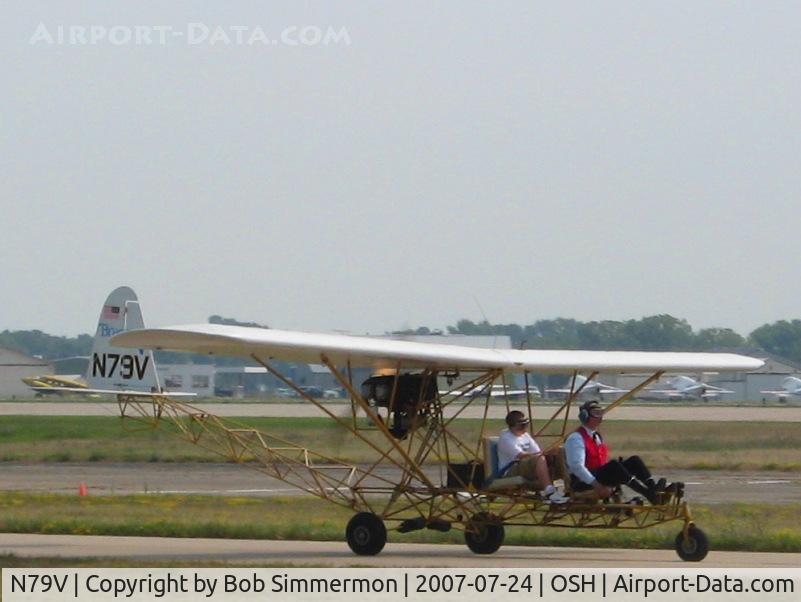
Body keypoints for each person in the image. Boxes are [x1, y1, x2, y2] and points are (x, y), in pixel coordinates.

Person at [565, 400, 677, 504]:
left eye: (601, 413)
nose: (600, 417)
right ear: (585, 416)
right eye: (596, 413)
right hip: (583, 482)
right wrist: (596, 484)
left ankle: (654, 489)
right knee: (614, 465)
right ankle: (648, 494)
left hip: (599, 475)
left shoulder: (596, 436)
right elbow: (576, 467)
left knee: (634, 460)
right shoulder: (576, 438)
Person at [498, 410, 568, 503]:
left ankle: (570, 488)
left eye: (525, 425)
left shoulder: (525, 436)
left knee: (560, 453)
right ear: (512, 425)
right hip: (510, 469)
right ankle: (549, 492)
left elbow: (537, 451)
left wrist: (550, 453)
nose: (524, 429)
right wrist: (544, 453)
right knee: (539, 458)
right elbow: (521, 456)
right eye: (521, 426)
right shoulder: (506, 438)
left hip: (527, 466)